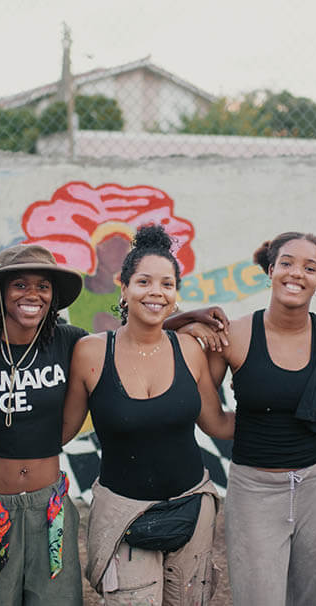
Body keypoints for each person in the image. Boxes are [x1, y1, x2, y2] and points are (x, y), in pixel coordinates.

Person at [0, 244, 226, 606]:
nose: (33, 294)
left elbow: (127, 340)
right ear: (1, 292)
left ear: (53, 296)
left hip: (50, 508)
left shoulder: (69, 343)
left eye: (43, 286)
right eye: (20, 284)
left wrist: (187, 318)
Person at [62, 224, 235, 606]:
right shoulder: (91, 352)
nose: (156, 292)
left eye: (167, 284)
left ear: (176, 295)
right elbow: (62, 431)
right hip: (124, 516)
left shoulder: (190, 350)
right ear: (122, 287)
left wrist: (277, 416)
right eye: (144, 282)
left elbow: (217, 423)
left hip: (193, 508)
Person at [183, 231, 316, 606]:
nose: (296, 273)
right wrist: (184, 322)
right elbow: (209, 413)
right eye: (287, 263)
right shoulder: (234, 335)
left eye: (310, 268)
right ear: (270, 269)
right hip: (255, 490)